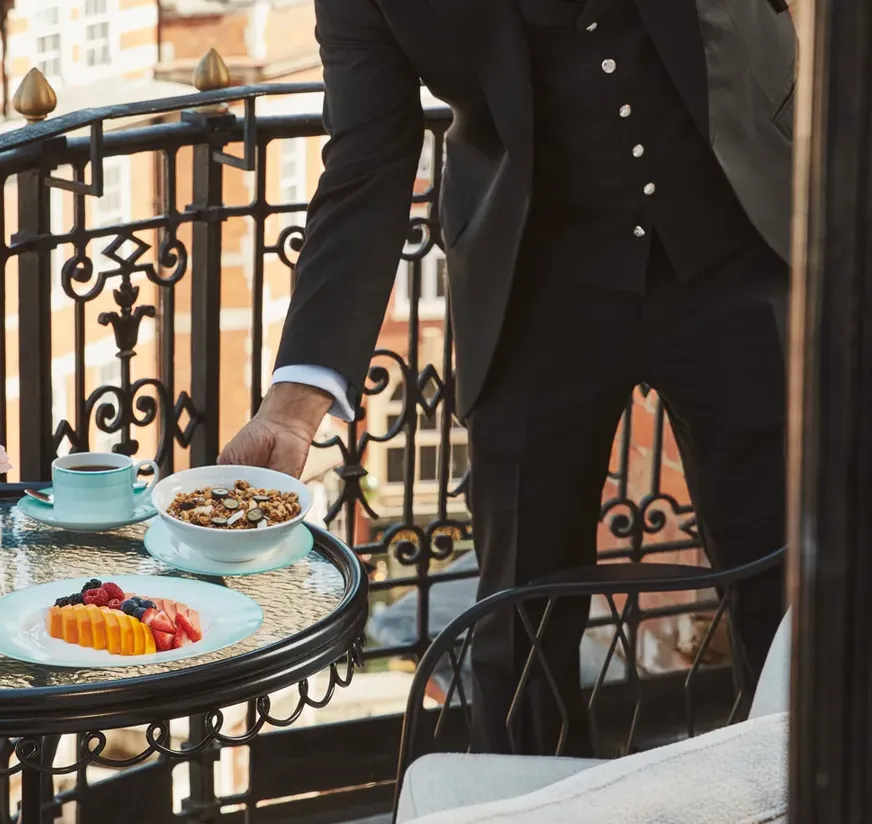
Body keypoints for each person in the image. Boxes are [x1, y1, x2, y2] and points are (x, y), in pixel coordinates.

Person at [220, 0, 794, 754]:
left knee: (791, 586)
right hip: (539, 282)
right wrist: (295, 405)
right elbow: (367, 161)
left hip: (732, 242)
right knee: (518, 627)